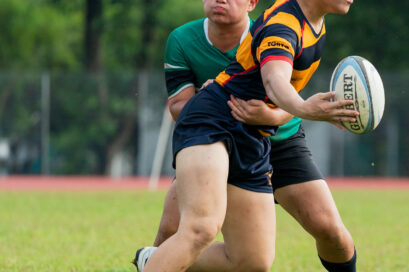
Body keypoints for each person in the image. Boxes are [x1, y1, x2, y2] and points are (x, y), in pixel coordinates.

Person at [135, 0, 357, 271]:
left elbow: (280, 93)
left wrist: (280, 114)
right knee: (201, 228)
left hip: (255, 138)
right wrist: (305, 108)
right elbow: (274, 81)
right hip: (214, 121)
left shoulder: (313, 24)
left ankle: (154, 259)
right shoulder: (282, 27)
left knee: (253, 261)